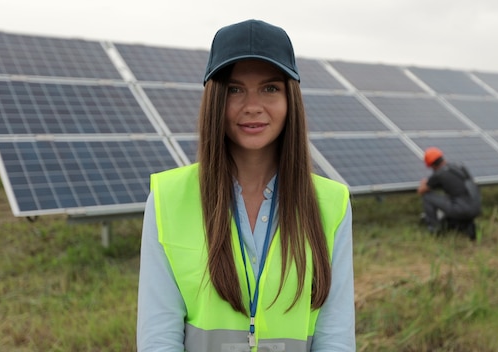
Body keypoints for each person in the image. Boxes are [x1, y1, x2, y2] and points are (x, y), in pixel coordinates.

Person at [136, 19, 356, 351]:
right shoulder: (168, 199)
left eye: (270, 88)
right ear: (215, 99)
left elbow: (335, 335)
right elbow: (158, 336)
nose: (253, 106)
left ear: (289, 99)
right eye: (235, 89)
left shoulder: (332, 203)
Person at [417, 147, 481, 240]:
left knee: (427, 196)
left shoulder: (439, 174)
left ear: (432, 166)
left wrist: (424, 183)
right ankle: (463, 225)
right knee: (452, 198)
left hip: (461, 209)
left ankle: (434, 229)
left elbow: (421, 190)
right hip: (476, 209)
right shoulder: (460, 167)